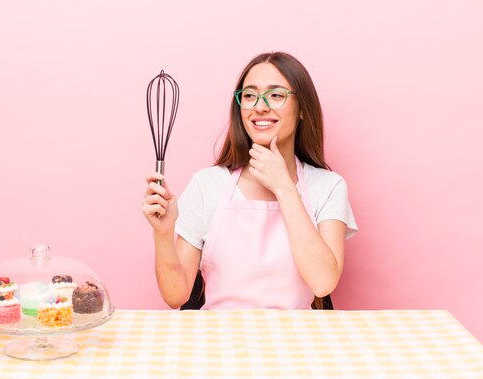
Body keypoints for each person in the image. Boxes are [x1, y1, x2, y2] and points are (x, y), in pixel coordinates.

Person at [142, 52, 358, 310]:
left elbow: (323, 282)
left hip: (296, 343)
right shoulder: (207, 184)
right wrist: (163, 234)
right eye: (249, 95)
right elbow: (175, 295)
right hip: (220, 340)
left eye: (276, 95)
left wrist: (284, 187)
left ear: (302, 109)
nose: (260, 106)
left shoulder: (329, 186)